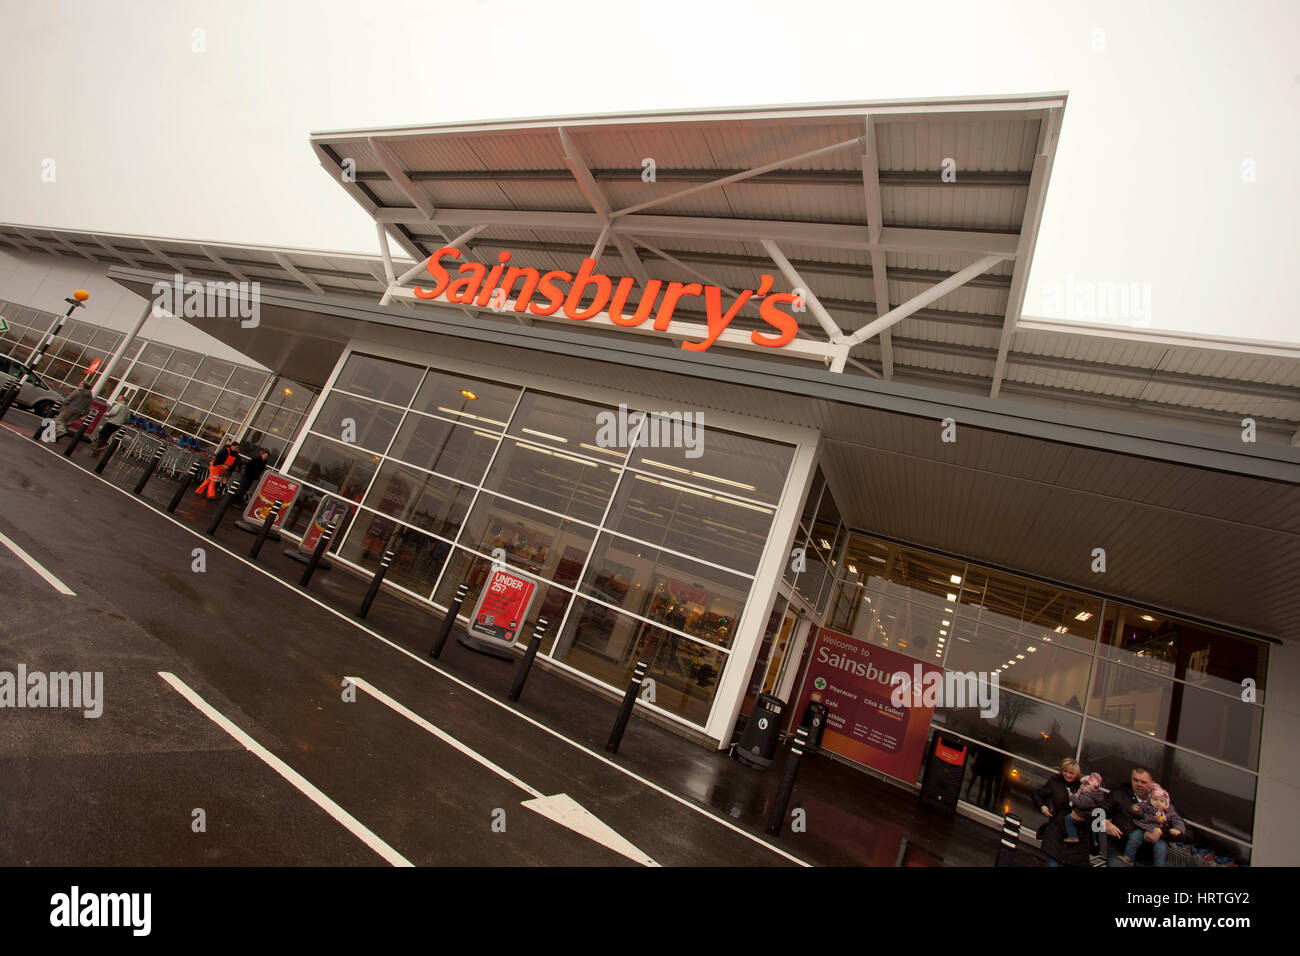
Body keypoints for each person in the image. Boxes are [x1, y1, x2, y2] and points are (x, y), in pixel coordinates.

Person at [1099, 765, 1159, 866]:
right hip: (1119, 851)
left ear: (1152, 783)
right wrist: (1103, 822)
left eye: (1143, 782)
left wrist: (1161, 832)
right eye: (1135, 780)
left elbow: (1186, 832)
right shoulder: (1120, 793)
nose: (1138, 784)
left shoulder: (1161, 801)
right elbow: (1098, 810)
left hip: (1146, 858)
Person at [1118, 785, 1187, 867]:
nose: (1158, 802)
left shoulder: (1170, 813)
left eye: (1162, 801)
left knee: (1161, 849)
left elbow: (1178, 821)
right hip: (1144, 827)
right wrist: (1135, 809)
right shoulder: (1146, 806)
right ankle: (1128, 857)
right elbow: (1138, 813)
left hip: (1161, 835)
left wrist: (1178, 829)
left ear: (1166, 803)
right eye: (1155, 799)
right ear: (1150, 799)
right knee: (1134, 837)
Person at [1033, 758, 1081, 866]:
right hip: (1055, 830)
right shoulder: (1055, 783)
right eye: (1065, 771)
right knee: (1052, 863)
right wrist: (1042, 806)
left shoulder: (1081, 788)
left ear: (1077, 774)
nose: (1067, 775)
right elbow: (1037, 794)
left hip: (1072, 834)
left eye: (1071, 773)